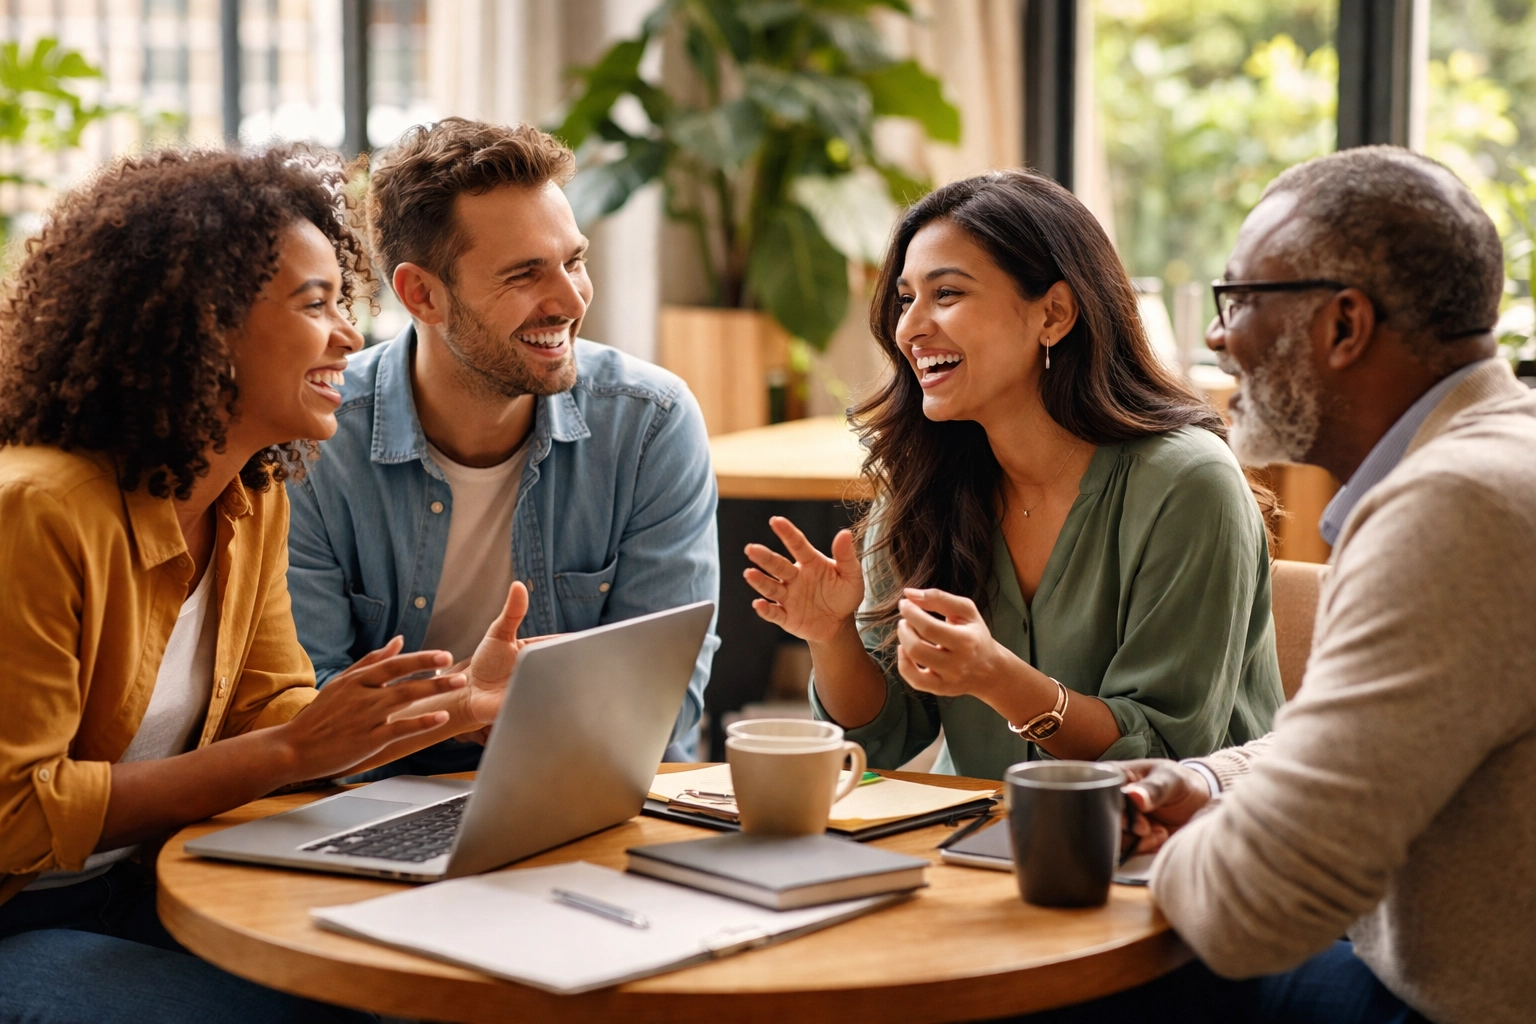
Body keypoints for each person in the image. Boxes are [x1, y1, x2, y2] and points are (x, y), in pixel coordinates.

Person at [0, 146, 533, 1023]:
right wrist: (291, 752)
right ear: (204, 326)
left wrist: (454, 705)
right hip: (21, 919)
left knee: (431, 989)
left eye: (344, 301)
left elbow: (271, 718)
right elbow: (18, 813)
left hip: (146, 890)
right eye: (314, 304)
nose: (350, 336)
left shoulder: (250, 495)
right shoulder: (39, 511)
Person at [1019, 147, 1536, 1024]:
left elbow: (1257, 909)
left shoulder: (1452, 509)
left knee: (1050, 981)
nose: (1218, 339)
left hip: (1454, 1004)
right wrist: (1211, 785)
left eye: (1241, 301)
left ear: (1344, 325)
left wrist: (1163, 850)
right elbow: (1359, 746)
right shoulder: (1497, 451)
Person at [744, 171, 1283, 781]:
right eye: (904, 298)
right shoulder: (923, 479)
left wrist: (999, 678)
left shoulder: (1188, 484)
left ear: (1053, 314)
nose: (911, 327)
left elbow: (1163, 756)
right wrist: (832, 634)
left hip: (1174, 850)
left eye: (946, 294)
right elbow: (887, 739)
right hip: (972, 844)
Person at [286, 118, 718, 775]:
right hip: (373, 805)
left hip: (593, 791)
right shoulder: (315, 438)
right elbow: (305, 715)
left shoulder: (649, 424)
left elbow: (661, 707)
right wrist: (469, 703)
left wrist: (456, 714)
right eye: (525, 275)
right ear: (421, 294)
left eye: (575, 261)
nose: (570, 300)